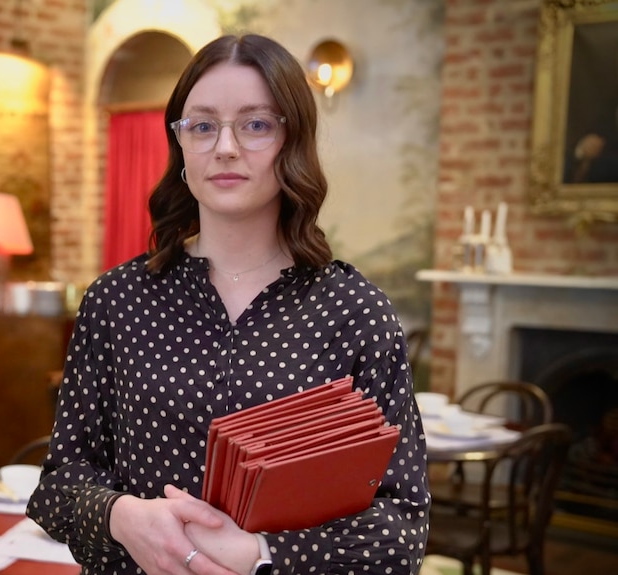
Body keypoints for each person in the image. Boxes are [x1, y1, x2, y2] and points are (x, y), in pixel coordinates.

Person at [27, 33, 430, 575]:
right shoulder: (117, 300)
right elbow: (59, 486)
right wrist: (120, 515)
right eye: (203, 125)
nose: (225, 147)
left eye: (256, 124)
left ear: (294, 140)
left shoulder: (355, 315)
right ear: (181, 143)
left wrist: (260, 555)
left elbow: (403, 527)